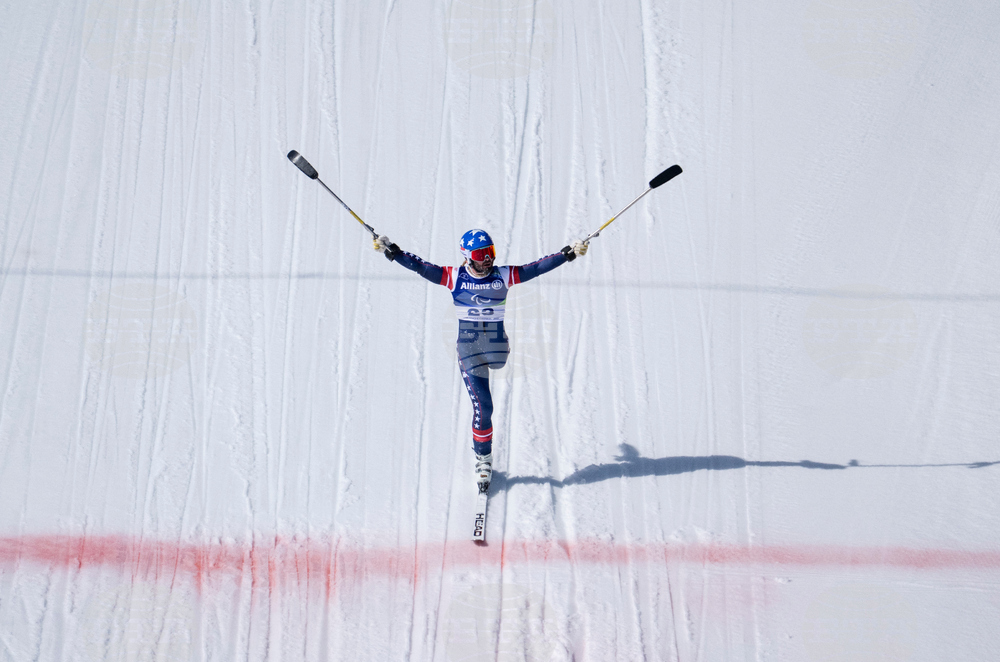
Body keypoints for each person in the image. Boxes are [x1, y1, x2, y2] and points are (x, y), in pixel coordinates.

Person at [373, 229, 588, 492]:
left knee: (498, 363)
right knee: (484, 408)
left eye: (490, 252)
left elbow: (536, 268)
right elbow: (420, 266)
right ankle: (483, 459)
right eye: (480, 254)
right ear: (467, 257)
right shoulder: (454, 277)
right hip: (470, 351)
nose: (487, 259)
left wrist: (568, 254)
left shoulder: (503, 276)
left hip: (497, 349)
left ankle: (494, 359)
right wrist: (392, 251)